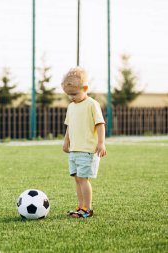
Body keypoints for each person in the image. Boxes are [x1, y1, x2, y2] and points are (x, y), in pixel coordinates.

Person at [61, 67, 107, 218]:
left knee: (83, 179)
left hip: (87, 150)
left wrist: (101, 143)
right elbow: (69, 126)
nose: (71, 97)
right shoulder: (71, 107)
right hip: (74, 150)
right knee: (77, 179)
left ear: (85, 88)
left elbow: (100, 124)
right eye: (69, 95)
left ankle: (87, 209)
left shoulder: (92, 104)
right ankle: (80, 207)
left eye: (74, 94)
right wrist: (66, 141)